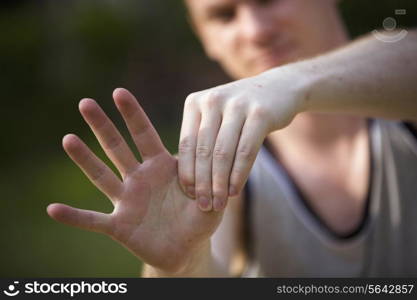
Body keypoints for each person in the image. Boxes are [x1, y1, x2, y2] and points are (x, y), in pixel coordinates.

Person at [47, 0, 417, 277]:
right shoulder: (220, 175)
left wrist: (288, 82)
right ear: (206, 40)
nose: (256, 30)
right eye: (224, 15)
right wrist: (182, 267)